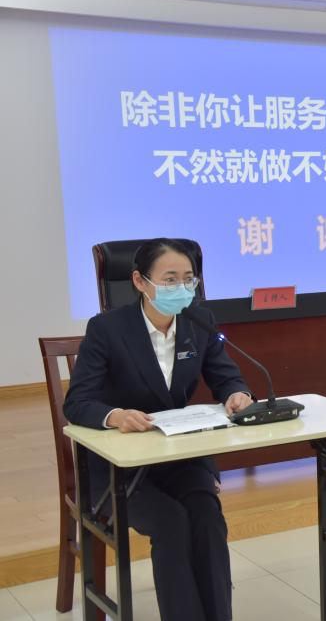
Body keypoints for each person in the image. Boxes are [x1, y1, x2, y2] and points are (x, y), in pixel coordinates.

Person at [64, 238, 253, 621]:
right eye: (170, 279)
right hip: (118, 469)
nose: (181, 288)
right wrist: (115, 415)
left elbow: (226, 376)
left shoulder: (198, 322)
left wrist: (237, 393)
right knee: (171, 522)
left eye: (189, 279)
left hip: (178, 457)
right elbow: (77, 402)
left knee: (207, 517)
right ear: (139, 281)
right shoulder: (107, 328)